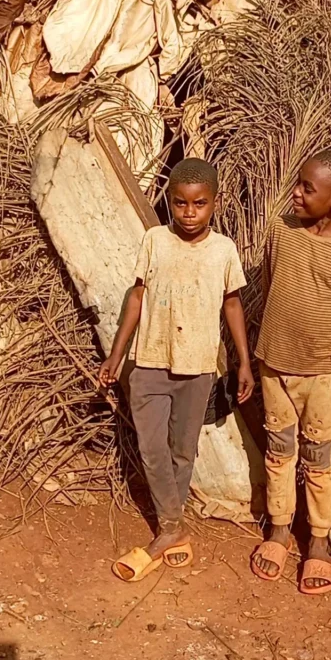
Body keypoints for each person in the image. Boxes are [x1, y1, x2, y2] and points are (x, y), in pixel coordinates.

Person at [99, 158, 254, 582]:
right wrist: (117, 356)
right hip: (148, 362)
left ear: (214, 204)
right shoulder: (154, 241)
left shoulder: (223, 250)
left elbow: (232, 304)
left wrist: (243, 363)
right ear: (169, 202)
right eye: (180, 204)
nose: (189, 213)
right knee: (152, 450)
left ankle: (172, 529)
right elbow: (136, 299)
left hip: (198, 366)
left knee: (182, 450)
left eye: (199, 204)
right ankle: (172, 529)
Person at [251, 148, 331, 595]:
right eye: (299, 183)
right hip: (273, 366)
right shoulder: (281, 232)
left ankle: (318, 540)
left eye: (308, 188)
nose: (297, 193)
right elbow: (268, 283)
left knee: (319, 459)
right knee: (279, 451)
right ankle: (281, 530)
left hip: (321, 374)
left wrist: (316, 344)